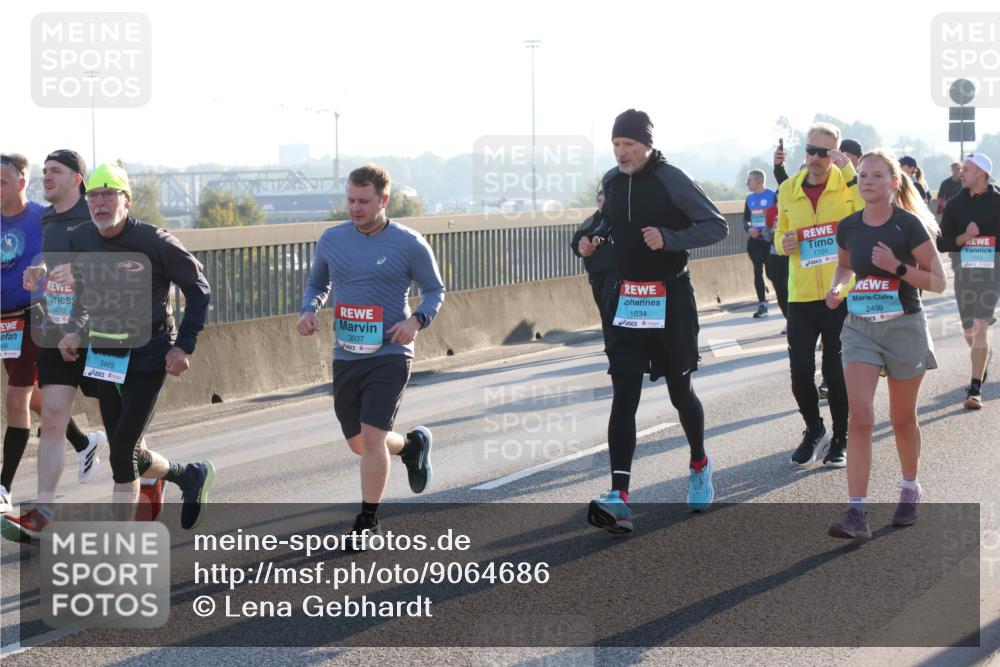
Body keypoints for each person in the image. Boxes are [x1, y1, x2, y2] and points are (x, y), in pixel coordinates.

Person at [35, 164, 213, 533]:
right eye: (93, 196)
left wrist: (183, 347)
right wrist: (74, 331)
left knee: (121, 455)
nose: (100, 203)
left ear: (126, 200)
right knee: (126, 451)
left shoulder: (155, 242)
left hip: (149, 349)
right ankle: (188, 474)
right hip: (103, 351)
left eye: (108, 194)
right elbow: (84, 296)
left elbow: (198, 289)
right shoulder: (82, 237)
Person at [578, 109, 728, 533]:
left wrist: (670, 239)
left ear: (646, 144)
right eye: (616, 146)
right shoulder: (611, 180)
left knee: (682, 391)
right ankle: (619, 496)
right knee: (624, 392)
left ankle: (699, 463)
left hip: (671, 298)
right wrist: (593, 240)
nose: (622, 153)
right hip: (629, 300)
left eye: (628, 145)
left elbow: (715, 226)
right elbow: (610, 221)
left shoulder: (672, 179)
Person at [298, 164, 444, 546]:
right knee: (360, 443)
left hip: (391, 352)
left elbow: (434, 291)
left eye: (364, 201)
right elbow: (318, 281)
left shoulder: (409, 242)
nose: (355, 208)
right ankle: (411, 446)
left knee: (372, 436)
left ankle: (367, 521)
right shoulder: (331, 239)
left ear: (383, 200)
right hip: (347, 353)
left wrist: (416, 322)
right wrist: (309, 308)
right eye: (350, 200)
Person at [824, 150, 946, 539]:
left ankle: (910, 487)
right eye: (862, 175)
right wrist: (838, 286)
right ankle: (857, 513)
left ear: (893, 183)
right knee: (860, 416)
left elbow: (938, 281)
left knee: (902, 419)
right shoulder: (848, 227)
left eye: (876, 175)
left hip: (903, 326)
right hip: (860, 326)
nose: (867, 181)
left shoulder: (908, 226)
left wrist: (898, 267)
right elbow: (845, 266)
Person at [0, 152, 102, 517]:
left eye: (2, 183)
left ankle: (3, 487)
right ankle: (81, 447)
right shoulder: (28, 219)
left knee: (17, 398)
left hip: (50, 321)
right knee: (37, 403)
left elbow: (75, 252)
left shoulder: (53, 215)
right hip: (23, 326)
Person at [774, 122, 864, 469]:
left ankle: (840, 438)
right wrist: (782, 243)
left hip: (839, 293)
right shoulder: (787, 188)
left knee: (835, 372)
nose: (814, 158)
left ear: (836, 154)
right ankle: (815, 429)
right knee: (799, 372)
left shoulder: (848, 187)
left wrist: (851, 173)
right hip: (801, 295)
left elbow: (868, 214)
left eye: (823, 152)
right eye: (810, 150)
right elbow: (779, 234)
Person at [937, 153, 1000, 410]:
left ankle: (975, 389)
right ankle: (982, 358)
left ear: (982, 174)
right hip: (965, 273)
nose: (961, 174)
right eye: (961, 169)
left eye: (967, 169)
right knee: (968, 330)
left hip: (993, 274)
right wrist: (966, 236)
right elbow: (943, 243)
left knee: (980, 324)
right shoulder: (954, 204)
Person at [571, 190, 617, 344]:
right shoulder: (589, 222)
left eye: (605, 201)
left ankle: (616, 341)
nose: (602, 204)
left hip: (617, 271)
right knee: (603, 307)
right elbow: (575, 245)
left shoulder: (620, 219)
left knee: (609, 302)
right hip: (596, 273)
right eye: (599, 201)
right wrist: (583, 249)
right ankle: (610, 341)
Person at [743, 169, 776, 318]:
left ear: (759, 181)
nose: (747, 183)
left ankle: (784, 298)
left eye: (749, 180)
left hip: (769, 241)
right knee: (757, 271)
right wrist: (749, 228)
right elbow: (746, 219)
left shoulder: (772, 195)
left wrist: (769, 230)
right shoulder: (749, 199)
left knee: (771, 273)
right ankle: (762, 304)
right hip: (755, 241)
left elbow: (778, 215)